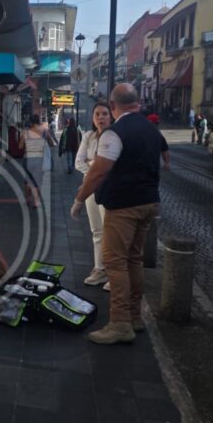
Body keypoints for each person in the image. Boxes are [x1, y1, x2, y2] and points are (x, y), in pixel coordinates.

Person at [71, 84, 168, 345]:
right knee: (134, 260)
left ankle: (120, 323)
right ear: (136, 102)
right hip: (149, 202)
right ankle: (134, 317)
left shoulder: (115, 133)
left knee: (114, 262)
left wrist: (80, 199)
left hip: (123, 205)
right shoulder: (151, 129)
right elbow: (164, 159)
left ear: (113, 107)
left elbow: (99, 171)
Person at [75, 103, 112, 291]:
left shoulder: (115, 137)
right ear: (92, 118)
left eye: (105, 114)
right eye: (97, 114)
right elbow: (78, 162)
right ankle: (100, 269)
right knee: (96, 230)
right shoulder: (88, 137)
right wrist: (96, 169)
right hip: (90, 187)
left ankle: (114, 273)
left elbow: (113, 166)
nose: (101, 117)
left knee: (110, 232)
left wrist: (95, 167)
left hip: (109, 188)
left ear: (111, 116)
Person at [19, 115, 56, 207]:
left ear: (30, 122)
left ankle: (27, 199)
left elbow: (20, 146)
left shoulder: (26, 132)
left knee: (28, 180)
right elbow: (51, 143)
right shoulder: (44, 131)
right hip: (39, 159)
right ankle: (36, 201)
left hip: (28, 159)